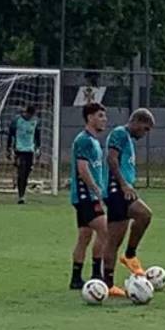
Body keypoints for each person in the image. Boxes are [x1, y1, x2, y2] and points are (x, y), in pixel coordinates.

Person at [103, 108, 156, 297]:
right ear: (136, 122)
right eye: (145, 129)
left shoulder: (127, 139)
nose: (145, 133)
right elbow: (112, 159)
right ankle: (128, 257)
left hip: (121, 190)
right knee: (143, 215)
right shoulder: (119, 133)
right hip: (116, 190)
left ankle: (109, 282)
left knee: (115, 238)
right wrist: (124, 185)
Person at [68, 102, 108, 290]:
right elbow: (82, 169)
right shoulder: (83, 140)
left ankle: (76, 278)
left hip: (87, 196)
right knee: (106, 231)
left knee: (84, 236)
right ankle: (96, 274)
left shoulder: (93, 141)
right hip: (86, 196)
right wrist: (97, 190)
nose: (104, 119)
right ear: (90, 117)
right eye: (100, 116)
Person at [7, 104, 41, 204]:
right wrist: (9, 148)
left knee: (26, 174)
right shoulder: (17, 121)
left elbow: (37, 136)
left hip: (30, 150)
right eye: (29, 115)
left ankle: (22, 193)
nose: (30, 117)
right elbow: (10, 135)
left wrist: (38, 149)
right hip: (19, 150)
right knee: (21, 172)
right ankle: (20, 196)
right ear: (26, 112)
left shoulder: (35, 122)